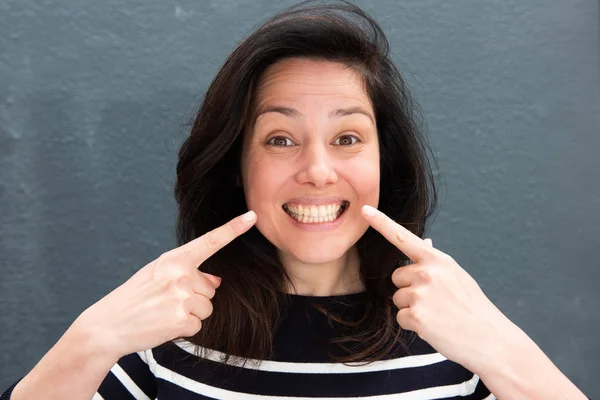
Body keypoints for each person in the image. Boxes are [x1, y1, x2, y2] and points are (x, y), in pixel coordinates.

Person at [2, 1, 589, 399]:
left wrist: (504, 346)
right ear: (237, 164)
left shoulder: (460, 339)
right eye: (280, 139)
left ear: (389, 161)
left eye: (348, 138)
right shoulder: (163, 338)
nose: (316, 170)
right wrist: (91, 338)